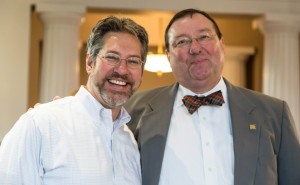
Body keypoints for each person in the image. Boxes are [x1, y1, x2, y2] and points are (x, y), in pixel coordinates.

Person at [124, 8, 300, 185]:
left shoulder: (274, 113)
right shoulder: (133, 110)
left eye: (204, 37)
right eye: (182, 41)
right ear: (169, 56)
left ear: (222, 44)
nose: (195, 48)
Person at [0, 15, 148, 185]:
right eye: (112, 57)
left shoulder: (129, 141)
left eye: (133, 61)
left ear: (141, 72)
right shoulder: (41, 123)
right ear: (90, 62)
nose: (122, 70)